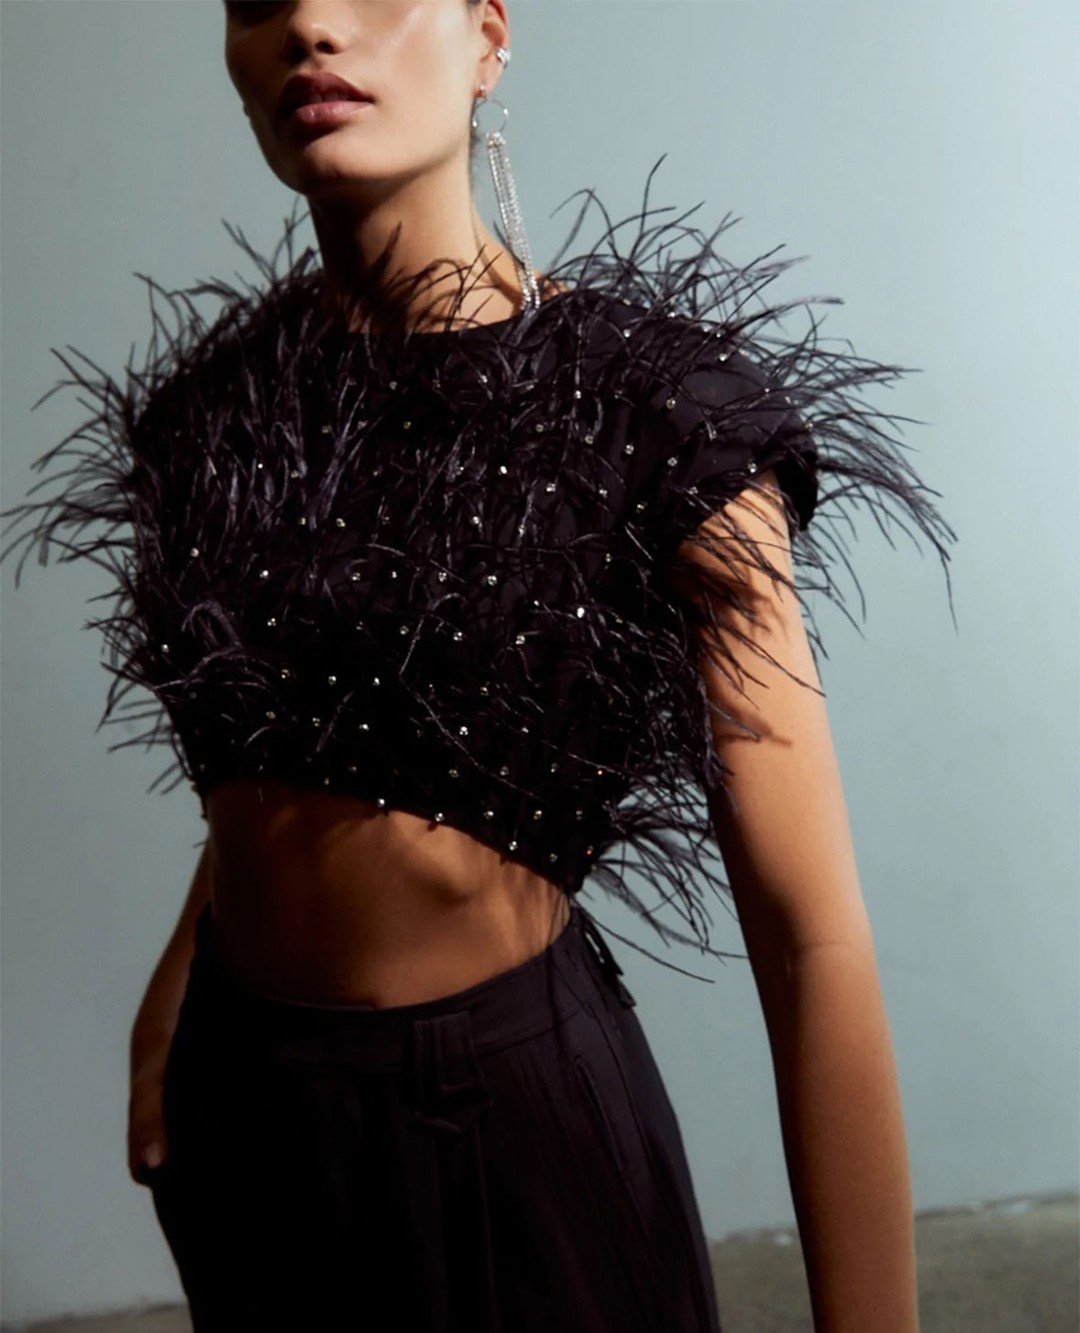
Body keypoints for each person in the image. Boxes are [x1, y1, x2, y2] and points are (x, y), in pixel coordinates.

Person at [0, 2, 958, 1330]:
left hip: (501, 1131)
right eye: (259, 0)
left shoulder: (655, 414)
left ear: (488, 37)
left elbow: (811, 939)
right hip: (245, 1101)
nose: (310, 27)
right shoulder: (207, 415)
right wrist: (177, 983)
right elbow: (290, 731)